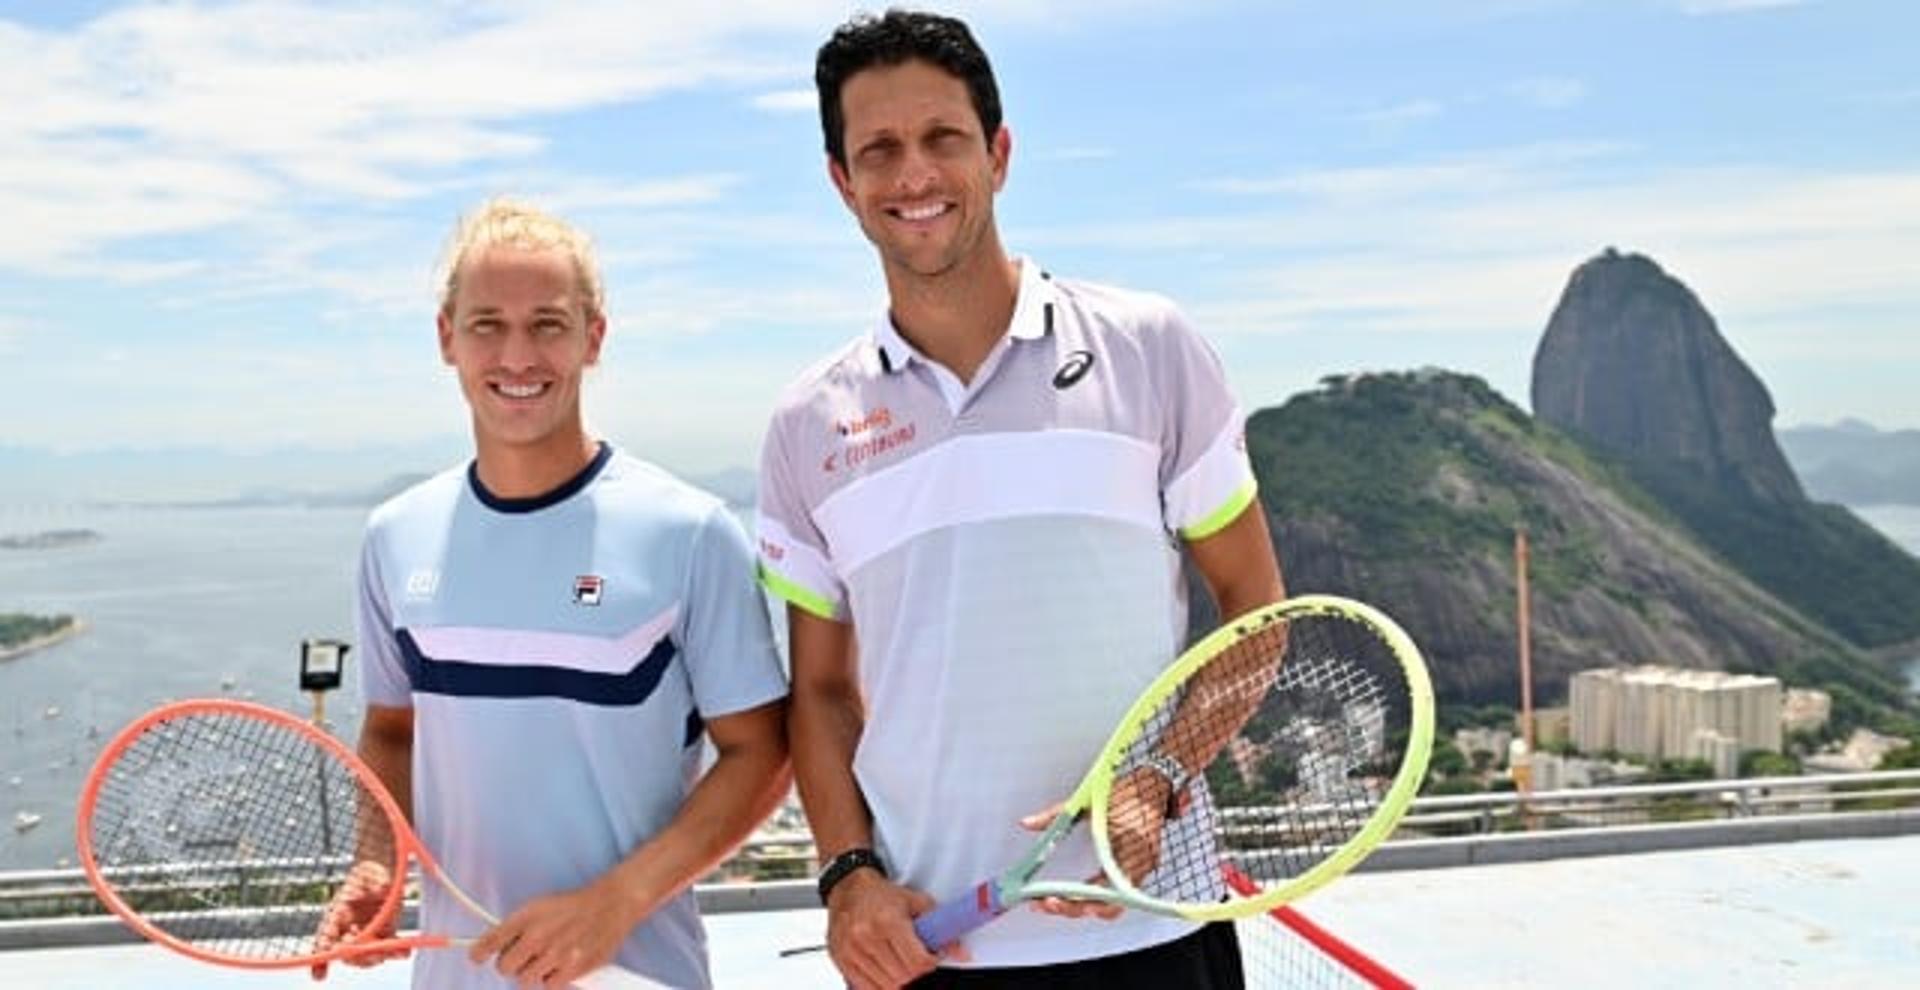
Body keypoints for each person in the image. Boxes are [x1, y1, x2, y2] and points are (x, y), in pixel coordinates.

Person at [753, 11, 1286, 990]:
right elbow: (821, 693)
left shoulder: (1152, 347)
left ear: (997, 153)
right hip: (930, 952)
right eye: (880, 150)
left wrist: (1156, 779)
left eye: (942, 139)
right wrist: (847, 878)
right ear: (843, 182)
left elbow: (1256, 615)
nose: (914, 175)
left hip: (1155, 934)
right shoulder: (805, 425)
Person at [325, 199, 790, 989]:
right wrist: (377, 861)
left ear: (592, 336)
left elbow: (764, 752)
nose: (518, 355)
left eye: (547, 323)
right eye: (486, 325)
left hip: (643, 975)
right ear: (448, 338)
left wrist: (615, 902)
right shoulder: (395, 536)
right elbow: (392, 732)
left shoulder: (690, 532)